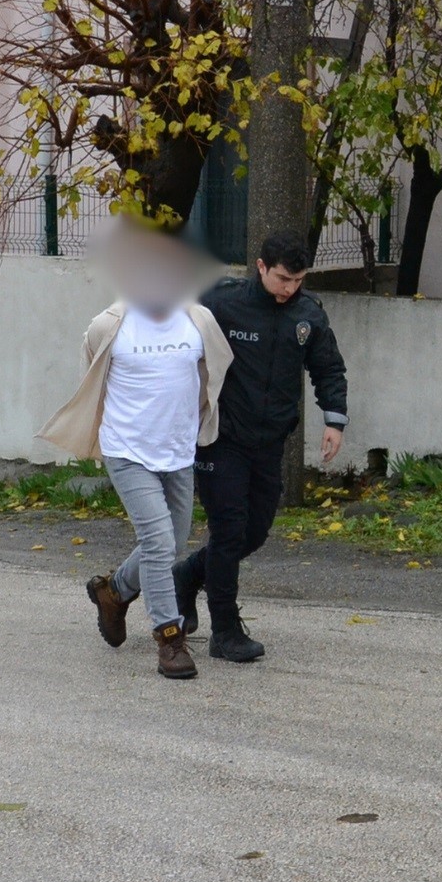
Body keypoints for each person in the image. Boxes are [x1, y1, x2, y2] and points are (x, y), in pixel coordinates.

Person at [38, 222, 231, 680]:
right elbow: (94, 370)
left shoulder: (197, 319)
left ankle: (115, 591)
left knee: (171, 542)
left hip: (178, 451)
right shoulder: (109, 324)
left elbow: (211, 373)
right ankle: (170, 638)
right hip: (128, 450)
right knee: (160, 542)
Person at [171, 231, 348, 663]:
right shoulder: (223, 302)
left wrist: (334, 420)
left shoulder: (308, 314)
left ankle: (189, 575)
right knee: (229, 530)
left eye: (298, 280)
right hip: (222, 439)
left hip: (271, 443)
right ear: (262, 267)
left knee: (254, 532)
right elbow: (174, 342)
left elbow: (328, 368)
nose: (290, 288)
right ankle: (225, 632)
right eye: (283, 278)